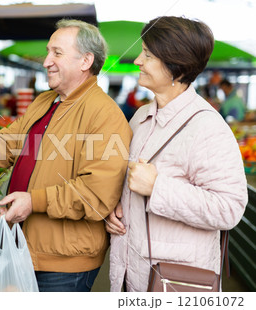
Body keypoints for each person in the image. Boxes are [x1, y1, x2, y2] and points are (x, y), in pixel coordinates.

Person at [0, 19, 132, 292]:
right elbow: (6, 147)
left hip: (64, 261)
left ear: (85, 61)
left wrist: (34, 201)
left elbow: (96, 194)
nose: (46, 61)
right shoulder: (45, 102)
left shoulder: (104, 115)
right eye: (47, 51)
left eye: (57, 53)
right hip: (24, 246)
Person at [106, 16, 247, 292]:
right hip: (128, 275)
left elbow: (229, 208)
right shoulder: (141, 117)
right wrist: (116, 209)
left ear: (174, 65)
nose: (137, 61)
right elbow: (132, 181)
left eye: (146, 54)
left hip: (175, 282)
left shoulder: (207, 127)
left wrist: (157, 187)